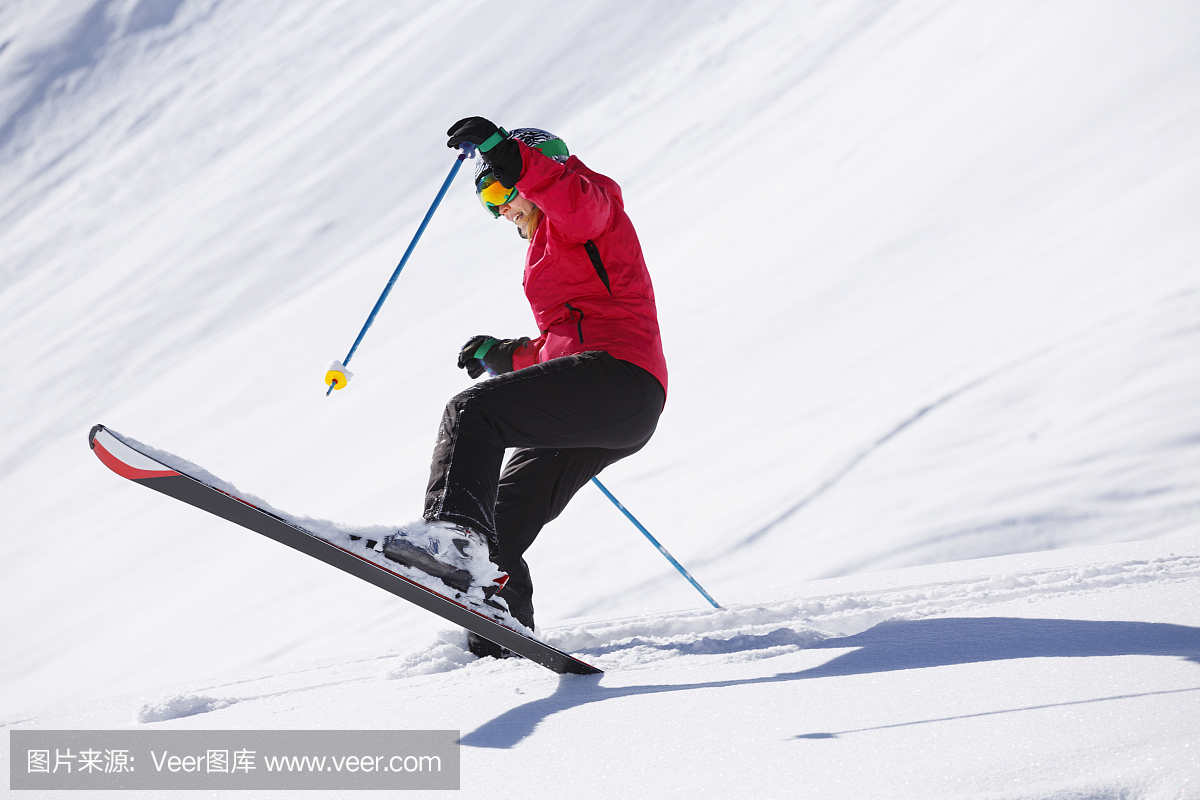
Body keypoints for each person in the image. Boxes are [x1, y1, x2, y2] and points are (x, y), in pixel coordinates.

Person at [382, 117, 668, 659]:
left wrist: (509, 155)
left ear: (535, 169)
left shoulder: (591, 205)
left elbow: (574, 200)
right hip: (608, 395)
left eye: (498, 190)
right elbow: (561, 344)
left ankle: (448, 538)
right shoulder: (552, 242)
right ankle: (500, 638)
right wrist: (507, 356)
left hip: (619, 377)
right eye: (487, 200)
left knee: (471, 414)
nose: (499, 209)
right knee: (500, 523)